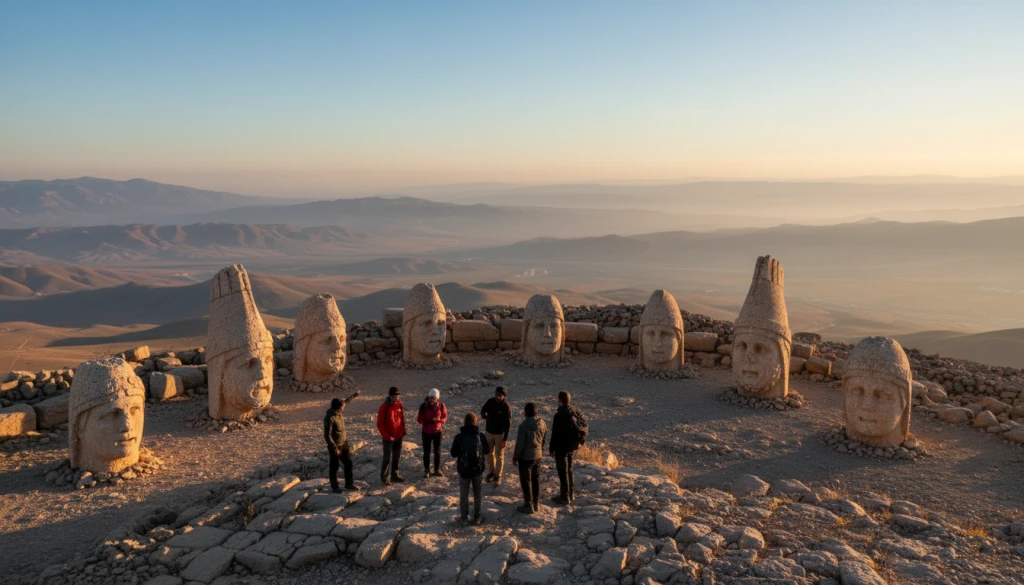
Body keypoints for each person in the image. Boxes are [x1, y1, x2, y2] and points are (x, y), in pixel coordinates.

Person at [450, 412, 491, 525]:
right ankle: (477, 517)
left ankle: (464, 518)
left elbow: (453, 453)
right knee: (477, 493)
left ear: (464, 421)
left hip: (464, 470)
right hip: (478, 470)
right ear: (475, 422)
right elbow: (487, 451)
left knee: (464, 495)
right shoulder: (480, 436)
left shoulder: (459, 436)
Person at [548, 390, 588, 505]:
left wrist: (551, 449)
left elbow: (554, 434)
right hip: (572, 446)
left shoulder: (559, 415)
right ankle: (570, 494)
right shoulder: (575, 412)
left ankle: (564, 497)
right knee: (569, 470)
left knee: (562, 471)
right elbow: (584, 425)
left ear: (559, 400)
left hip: (561, 447)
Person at [512, 402, 547, 514]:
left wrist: (515, 457)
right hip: (538, 455)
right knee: (535, 479)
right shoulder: (542, 423)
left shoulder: (523, 426)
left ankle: (528, 504)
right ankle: (536, 503)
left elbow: (520, 444)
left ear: (525, 412)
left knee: (525, 481)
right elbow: (544, 439)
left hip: (525, 457)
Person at [324, 391, 360, 492]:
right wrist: (334, 448)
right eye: (342, 407)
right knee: (334, 466)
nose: (344, 407)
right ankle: (335, 487)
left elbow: (346, 402)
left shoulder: (338, 411)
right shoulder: (330, 418)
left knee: (348, 463)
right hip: (335, 446)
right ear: (339, 408)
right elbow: (327, 435)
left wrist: (353, 395)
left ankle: (349, 484)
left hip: (344, 443)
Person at [479, 386, 512, 485]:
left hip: (499, 435)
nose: (497, 397)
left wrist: (504, 439)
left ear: (504, 396)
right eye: (496, 395)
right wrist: (483, 415)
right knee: (489, 453)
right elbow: (483, 409)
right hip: (489, 432)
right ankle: (492, 471)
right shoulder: (491, 401)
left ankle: (498, 475)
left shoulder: (506, 407)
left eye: (500, 395)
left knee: (499, 455)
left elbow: (508, 425)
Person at [376, 386, 407, 486]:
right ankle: (384, 477)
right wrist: (386, 435)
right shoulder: (384, 407)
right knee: (387, 458)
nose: (396, 398)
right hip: (388, 437)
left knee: (396, 457)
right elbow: (379, 424)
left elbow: (401, 419)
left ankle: (395, 475)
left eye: (397, 396)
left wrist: (403, 431)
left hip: (398, 435)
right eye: (394, 396)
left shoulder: (399, 405)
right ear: (390, 396)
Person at [417, 388, 449, 478]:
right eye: (431, 397)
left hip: (437, 431)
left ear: (437, 398)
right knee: (426, 452)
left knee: (437, 451)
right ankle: (427, 470)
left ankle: (437, 469)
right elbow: (419, 419)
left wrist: (439, 420)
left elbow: (444, 416)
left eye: (434, 398)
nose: (432, 399)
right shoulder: (423, 406)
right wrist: (426, 421)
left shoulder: (441, 405)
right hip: (426, 431)